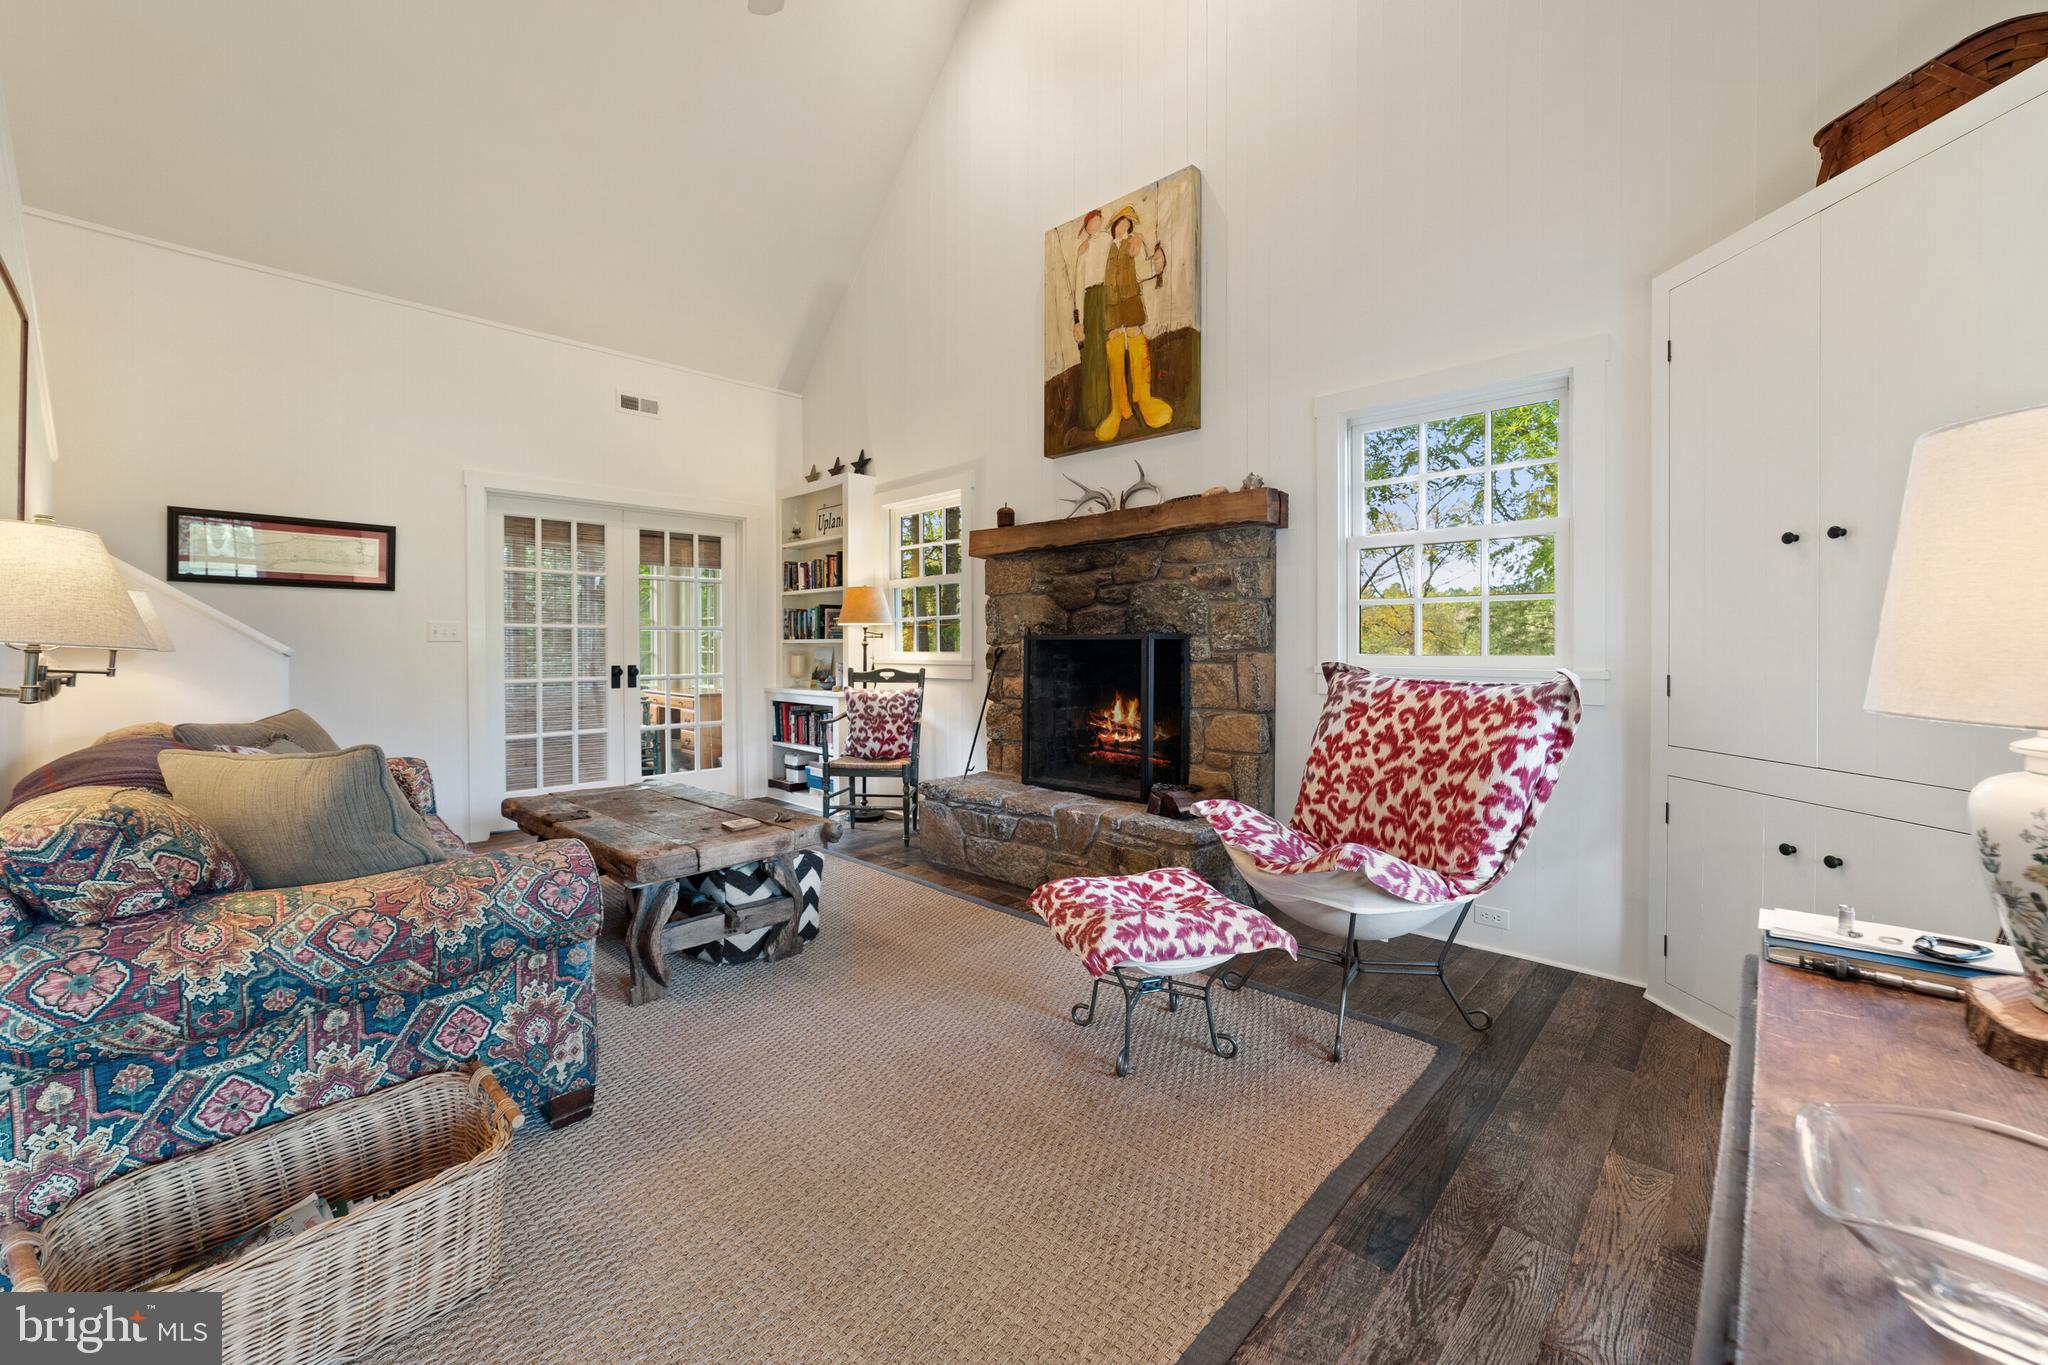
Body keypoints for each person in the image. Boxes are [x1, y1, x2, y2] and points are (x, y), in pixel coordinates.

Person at [1096, 205, 1173, 443]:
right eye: (1121, 223)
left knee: (1136, 337)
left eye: (1127, 223)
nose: (1124, 226)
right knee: (1115, 346)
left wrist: (1156, 265)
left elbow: (1142, 270)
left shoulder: (1134, 243)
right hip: (1110, 305)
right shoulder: (1108, 249)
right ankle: (1119, 408)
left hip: (1130, 299)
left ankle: (1144, 398)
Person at [1068, 208, 1110, 429]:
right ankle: (1091, 415)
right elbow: (1077, 286)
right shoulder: (1083, 250)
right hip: (1089, 300)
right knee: (1090, 356)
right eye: (1090, 222)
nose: (1094, 224)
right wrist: (1078, 319)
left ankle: (1106, 410)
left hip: (1105, 296)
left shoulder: (1108, 240)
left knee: (1104, 353)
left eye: (1097, 220)